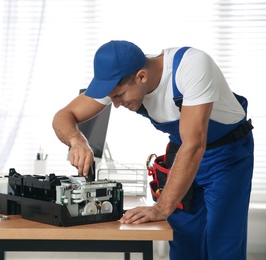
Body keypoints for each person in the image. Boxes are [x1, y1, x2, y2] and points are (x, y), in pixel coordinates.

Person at [52, 40, 254, 259]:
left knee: (222, 244)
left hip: (226, 157)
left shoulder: (191, 67)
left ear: (141, 76)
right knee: (183, 242)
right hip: (181, 155)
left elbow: (195, 144)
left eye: (119, 96)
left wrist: (160, 208)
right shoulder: (120, 78)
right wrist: (77, 140)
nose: (116, 104)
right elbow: (63, 116)